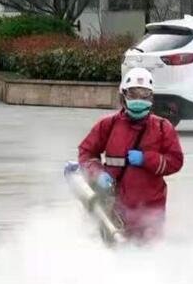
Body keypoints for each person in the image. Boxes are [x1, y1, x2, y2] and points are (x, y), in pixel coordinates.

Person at [78, 67, 184, 241]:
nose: (138, 100)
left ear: (151, 98)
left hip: (151, 211)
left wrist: (146, 159)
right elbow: (86, 153)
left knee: (151, 253)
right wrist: (98, 174)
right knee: (114, 251)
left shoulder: (163, 127)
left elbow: (176, 161)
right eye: (133, 94)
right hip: (115, 208)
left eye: (144, 95)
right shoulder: (108, 125)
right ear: (123, 96)